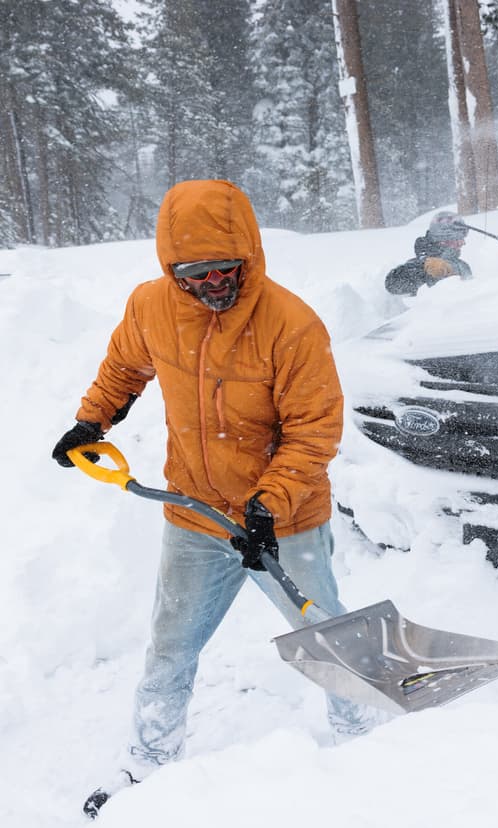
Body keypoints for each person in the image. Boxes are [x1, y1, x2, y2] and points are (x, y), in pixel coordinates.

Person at [51, 179, 371, 819]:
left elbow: (315, 429)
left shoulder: (291, 323)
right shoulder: (151, 307)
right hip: (194, 514)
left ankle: (365, 741)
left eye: (226, 268)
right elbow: (123, 366)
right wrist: (93, 422)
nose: (213, 283)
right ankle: (149, 760)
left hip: (286, 520)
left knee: (323, 630)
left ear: (248, 256)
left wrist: (268, 506)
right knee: (169, 645)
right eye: (195, 273)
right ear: (173, 271)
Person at [385, 211, 472, 296]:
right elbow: (392, 284)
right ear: (443, 241)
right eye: (458, 240)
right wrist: (423, 270)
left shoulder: (462, 265)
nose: (463, 243)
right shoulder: (424, 265)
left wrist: (451, 268)